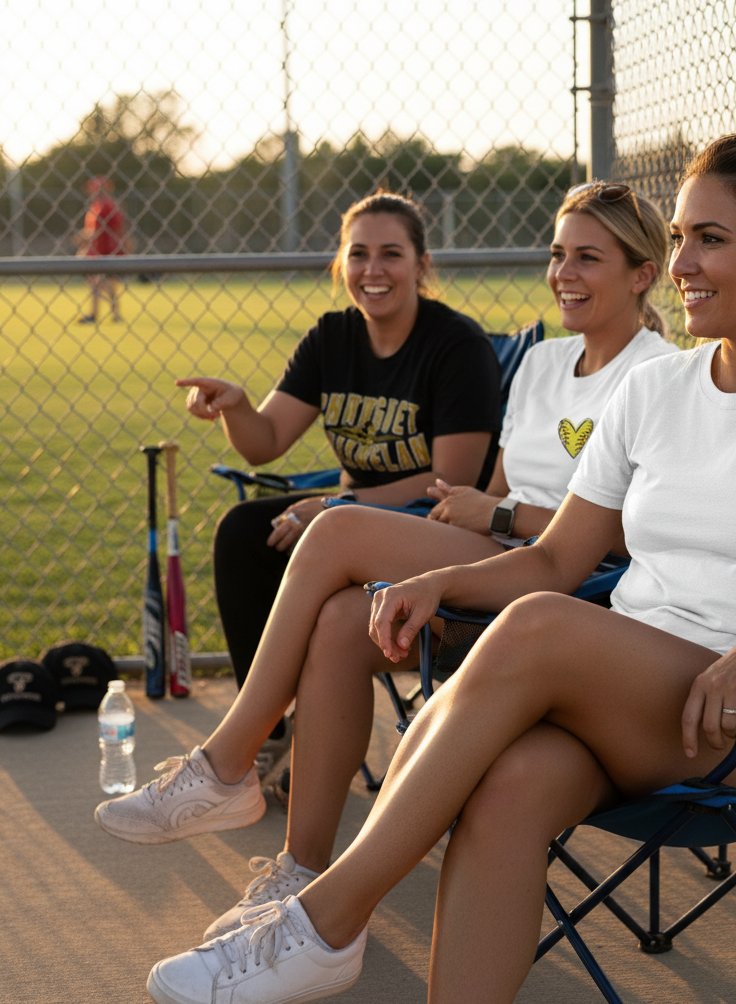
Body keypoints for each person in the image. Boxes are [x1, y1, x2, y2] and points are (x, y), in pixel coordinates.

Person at [138, 114, 736, 1004]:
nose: (681, 263)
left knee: (541, 628)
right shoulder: (655, 389)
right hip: (624, 691)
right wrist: (439, 584)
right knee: (509, 787)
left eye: (710, 240)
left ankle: (322, 922)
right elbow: (559, 556)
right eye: (678, 236)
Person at [94, 182, 678, 940]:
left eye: (588, 258)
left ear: (641, 274)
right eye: (558, 254)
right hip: (497, 560)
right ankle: (300, 876)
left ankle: (226, 764)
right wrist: (488, 510)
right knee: (341, 620)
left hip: (574, 597)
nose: (563, 272)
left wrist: (499, 513)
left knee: (335, 531)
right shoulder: (542, 360)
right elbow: (498, 487)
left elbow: (638, 535)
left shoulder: (660, 375)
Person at [177, 191, 503, 707]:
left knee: (301, 535)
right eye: (358, 253)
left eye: (391, 254)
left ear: (421, 265)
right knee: (243, 532)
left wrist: (336, 506)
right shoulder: (332, 337)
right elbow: (265, 444)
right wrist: (236, 408)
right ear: (341, 263)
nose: (373, 269)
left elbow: (448, 482)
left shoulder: (457, 347)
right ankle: (272, 729)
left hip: (435, 529)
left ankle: (279, 722)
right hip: (349, 519)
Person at [76, 175, 128, 324]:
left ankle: (102, 313)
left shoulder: (107, 207)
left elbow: (105, 230)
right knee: (98, 283)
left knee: (98, 283)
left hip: (105, 251)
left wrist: (85, 238)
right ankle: (107, 313)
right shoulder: (97, 206)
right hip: (98, 250)